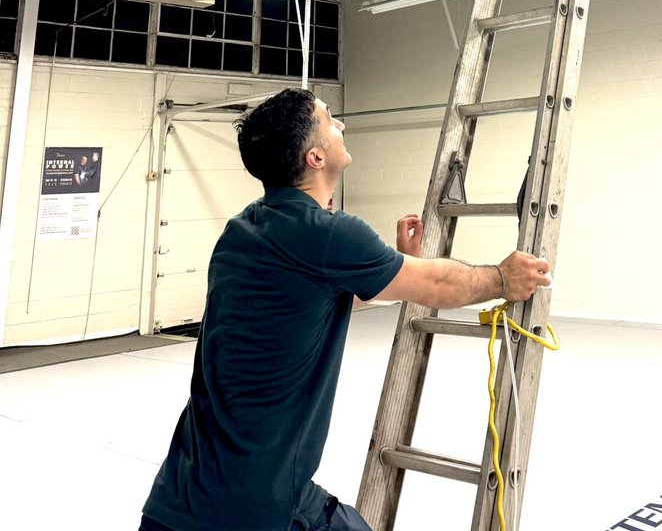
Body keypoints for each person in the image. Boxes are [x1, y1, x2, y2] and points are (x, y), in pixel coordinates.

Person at [140, 88, 550, 531]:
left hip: (178, 498)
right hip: (258, 508)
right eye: (330, 119)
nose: (342, 125)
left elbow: (308, 300)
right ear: (315, 158)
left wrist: (390, 265)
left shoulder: (241, 231)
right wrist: (501, 278)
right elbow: (435, 284)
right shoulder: (329, 234)